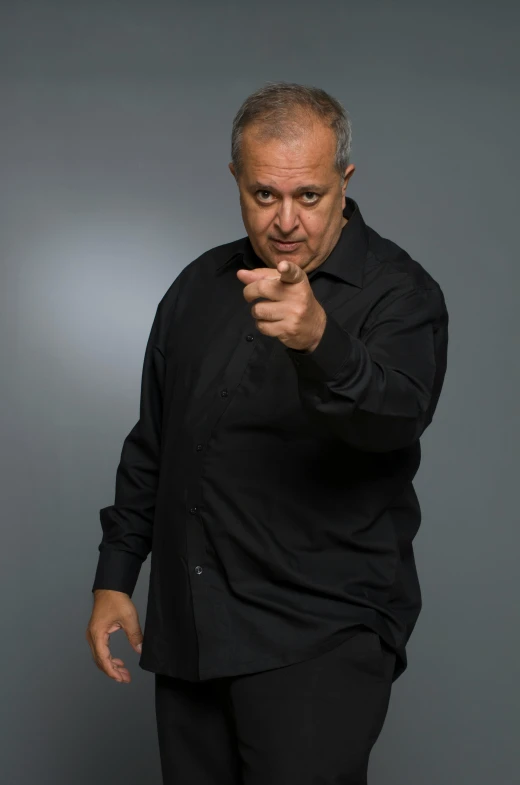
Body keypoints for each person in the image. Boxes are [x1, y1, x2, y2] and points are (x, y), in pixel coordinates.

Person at [86, 81, 449, 784]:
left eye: (308, 196)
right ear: (235, 180)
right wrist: (115, 574)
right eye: (263, 195)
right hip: (192, 631)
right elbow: (156, 442)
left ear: (345, 182)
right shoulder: (197, 286)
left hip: (317, 637)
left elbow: (397, 417)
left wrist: (321, 341)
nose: (286, 219)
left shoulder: (401, 293)